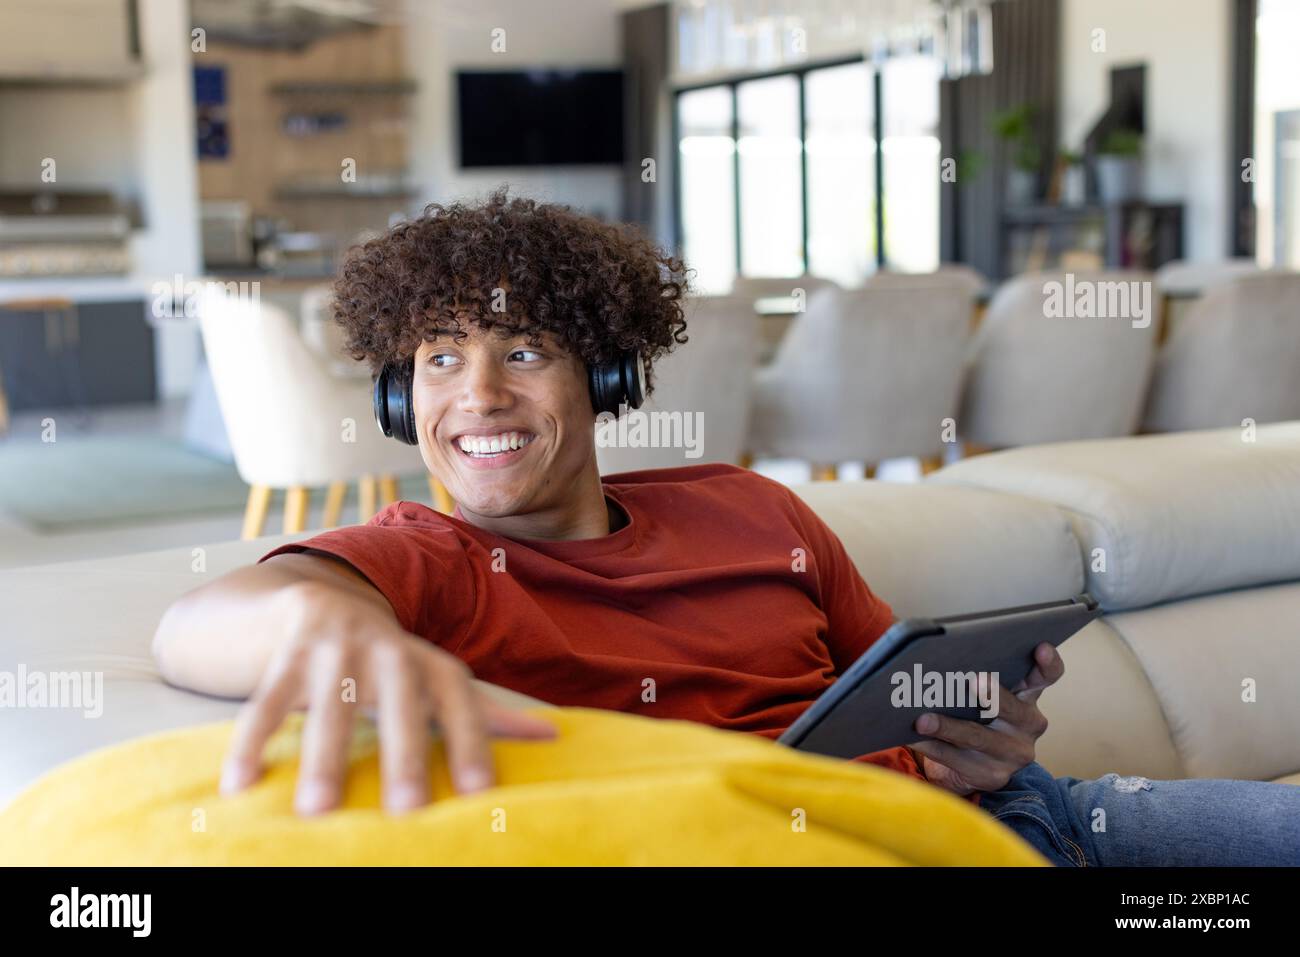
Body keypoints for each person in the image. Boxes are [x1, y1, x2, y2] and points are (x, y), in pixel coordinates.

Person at [152, 190, 1300, 866]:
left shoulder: (751, 505)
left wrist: (987, 742)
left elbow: (893, 688)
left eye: (525, 352)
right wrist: (330, 634)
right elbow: (204, 626)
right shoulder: (421, 563)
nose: (480, 397)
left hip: (1029, 817)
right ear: (401, 400)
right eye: (440, 360)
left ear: (601, 376)